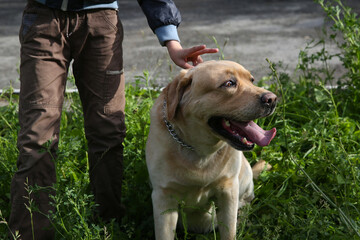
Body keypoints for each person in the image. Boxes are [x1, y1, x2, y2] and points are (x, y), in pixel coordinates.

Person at [9, 0, 218, 239]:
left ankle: (107, 228)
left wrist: (172, 41)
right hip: (44, 19)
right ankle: (30, 233)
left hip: (101, 21)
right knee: (38, 136)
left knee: (107, 129)